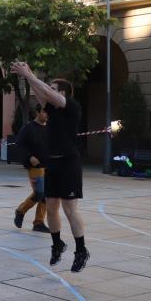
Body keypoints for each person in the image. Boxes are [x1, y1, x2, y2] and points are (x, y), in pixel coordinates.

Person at [12, 62, 90, 272]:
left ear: (62, 93)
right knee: (52, 207)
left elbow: (44, 90)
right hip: (53, 162)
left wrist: (28, 73)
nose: (49, 91)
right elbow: (41, 92)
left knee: (69, 208)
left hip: (68, 162)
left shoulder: (71, 107)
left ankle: (81, 250)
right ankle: (57, 244)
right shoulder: (51, 110)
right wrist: (28, 77)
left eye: (54, 89)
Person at [14, 105, 50, 233]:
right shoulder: (28, 128)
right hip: (35, 167)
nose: (47, 115)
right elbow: (19, 144)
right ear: (38, 112)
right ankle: (20, 210)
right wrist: (29, 157)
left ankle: (39, 223)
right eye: (45, 112)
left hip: (49, 166)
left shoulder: (50, 128)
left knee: (46, 195)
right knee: (39, 192)